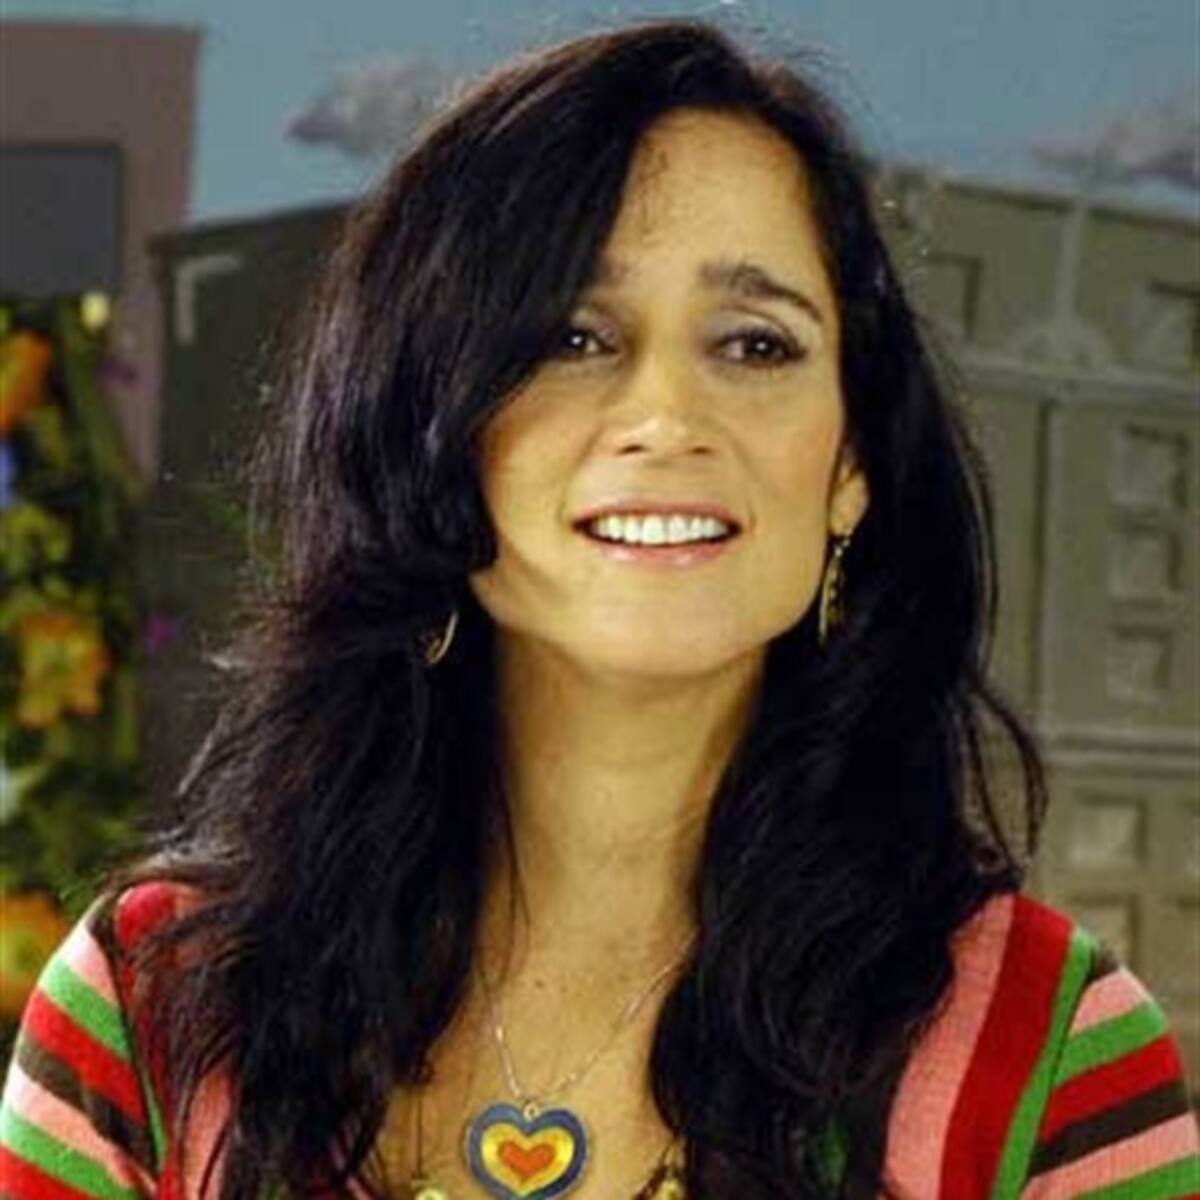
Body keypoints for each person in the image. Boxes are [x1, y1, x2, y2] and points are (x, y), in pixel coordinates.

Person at [1, 17, 1197, 1200]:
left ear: (849, 467)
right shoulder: (145, 1021)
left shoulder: (1053, 1059)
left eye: (756, 345)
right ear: (435, 436)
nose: (668, 417)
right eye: (575, 336)